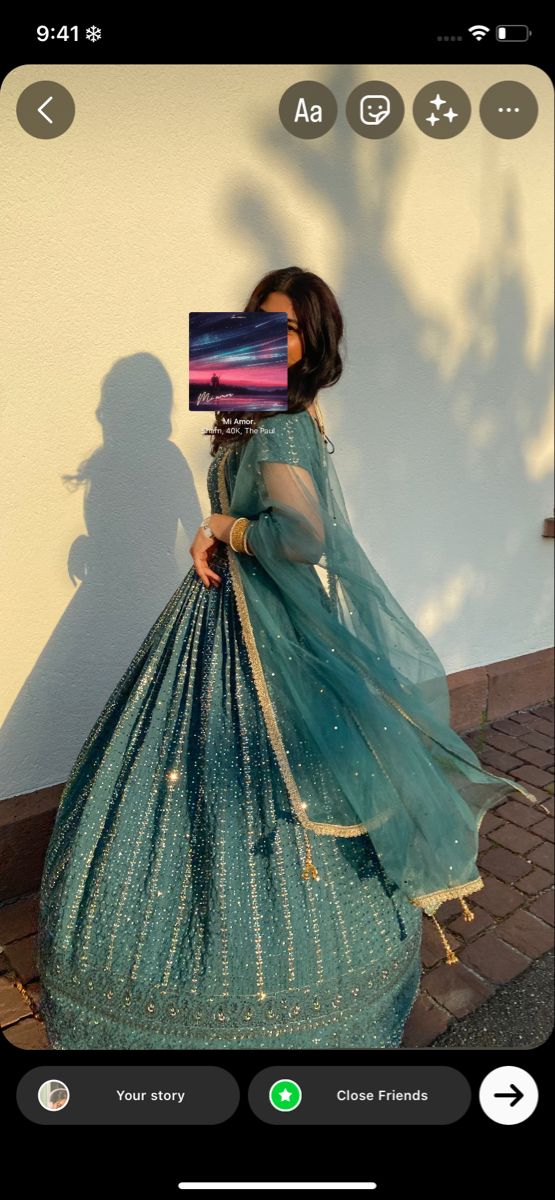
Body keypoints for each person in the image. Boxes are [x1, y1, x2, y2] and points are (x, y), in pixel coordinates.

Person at [38, 266, 536, 1050]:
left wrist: (223, 530)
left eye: (290, 329)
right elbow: (213, 514)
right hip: (213, 616)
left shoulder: (276, 421)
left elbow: (299, 540)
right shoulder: (253, 411)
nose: (272, 340)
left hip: (260, 624)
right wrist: (199, 527)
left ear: (312, 343)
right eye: (260, 324)